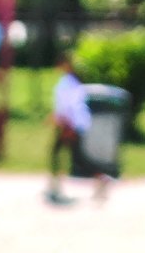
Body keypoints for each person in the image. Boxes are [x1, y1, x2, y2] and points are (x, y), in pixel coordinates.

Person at [47, 55, 96, 204]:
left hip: (69, 125)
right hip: (70, 124)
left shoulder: (69, 83)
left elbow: (69, 106)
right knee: (63, 155)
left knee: (68, 156)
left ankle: (100, 179)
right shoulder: (70, 82)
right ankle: (55, 183)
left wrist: (65, 121)